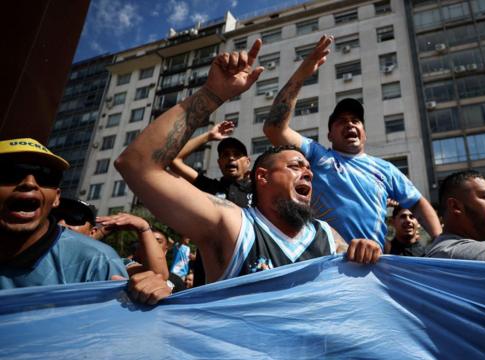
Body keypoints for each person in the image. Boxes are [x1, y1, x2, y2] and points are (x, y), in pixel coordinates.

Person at [115, 40, 381, 304]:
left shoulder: (327, 235)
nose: (309, 173)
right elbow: (138, 165)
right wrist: (212, 94)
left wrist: (366, 252)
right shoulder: (231, 224)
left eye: (309, 168)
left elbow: (362, 290)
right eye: (295, 166)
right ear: (262, 177)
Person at [263, 35, 442, 248]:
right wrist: (302, 74)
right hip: (327, 262)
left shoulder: (386, 169)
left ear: (364, 132)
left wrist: (441, 243)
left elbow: (418, 204)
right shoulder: (317, 156)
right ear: (329, 135)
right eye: (341, 121)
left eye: (355, 121)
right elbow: (274, 128)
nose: (349, 125)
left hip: (373, 266)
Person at [0, 138, 127, 289]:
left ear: (56, 197)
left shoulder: (96, 263)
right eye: (10, 172)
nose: (29, 183)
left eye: (46, 175)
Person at [170, 125, 253, 286]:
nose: (231, 158)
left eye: (237, 155)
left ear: (247, 162)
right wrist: (208, 136)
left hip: (246, 270)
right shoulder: (209, 187)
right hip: (208, 272)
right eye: (225, 155)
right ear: (219, 162)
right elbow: (174, 160)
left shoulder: (259, 189)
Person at [95, 212, 169, 280]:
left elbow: (157, 277)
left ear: (166, 250)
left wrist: (144, 228)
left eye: (158, 241)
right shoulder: (114, 263)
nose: (151, 244)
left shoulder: (175, 280)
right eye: (145, 240)